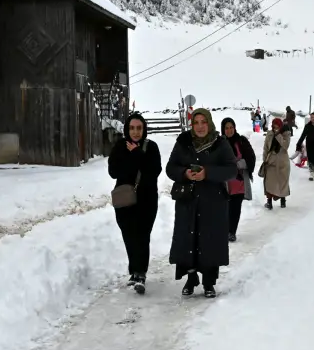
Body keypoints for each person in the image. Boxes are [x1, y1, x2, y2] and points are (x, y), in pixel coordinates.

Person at [165, 108, 237, 298]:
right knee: (189, 239)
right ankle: (190, 278)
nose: (199, 126)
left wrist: (208, 173)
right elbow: (170, 168)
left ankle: (208, 282)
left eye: (203, 122)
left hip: (213, 201)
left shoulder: (220, 144)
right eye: (195, 122)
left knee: (209, 240)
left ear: (209, 123)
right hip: (188, 201)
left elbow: (231, 169)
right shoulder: (183, 142)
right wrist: (184, 173)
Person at [108, 112, 162, 293]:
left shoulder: (151, 147)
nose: (136, 132)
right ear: (127, 129)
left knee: (142, 235)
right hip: (125, 198)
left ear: (144, 129)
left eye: (139, 128)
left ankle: (140, 273)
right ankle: (133, 271)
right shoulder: (119, 147)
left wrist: (138, 154)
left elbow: (154, 170)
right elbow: (113, 172)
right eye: (132, 128)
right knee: (129, 235)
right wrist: (130, 158)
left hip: (147, 199)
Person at [221, 117, 256, 243]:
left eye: (231, 127)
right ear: (223, 129)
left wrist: (240, 164)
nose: (229, 130)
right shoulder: (219, 143)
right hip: (225, 183)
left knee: (235, 208)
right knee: (226, 208)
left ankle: (232, 232)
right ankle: (225, 229)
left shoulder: (241, 141)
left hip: (239, 182)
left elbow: (251, 158)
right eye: (227, 128)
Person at [260, 117, 292, 209]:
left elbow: (285, 146)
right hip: (271, 162)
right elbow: (266, 148)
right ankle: (269, 202)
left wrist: (278, 135)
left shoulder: (286, 134)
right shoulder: (269, 134)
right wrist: (264, 159)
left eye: (277, 126)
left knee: (282, 182)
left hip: (282, 163)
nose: (275, 128)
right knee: (269, 183)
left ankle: (283, 201)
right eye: (274, 126)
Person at [296, 111, 314, 180]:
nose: (313, 119)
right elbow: (303, 135)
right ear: (310, 118)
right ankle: (311, 172)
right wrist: (299, 143)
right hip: (309, 144)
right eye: (311, 117)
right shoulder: (307, 126)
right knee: (310, 158)